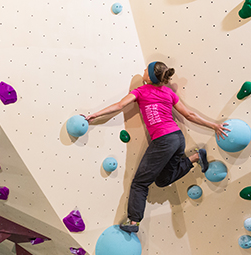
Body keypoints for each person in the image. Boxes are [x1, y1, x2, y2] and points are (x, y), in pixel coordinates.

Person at [86, 61, 229, 233]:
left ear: (150, 76)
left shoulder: (140, 91)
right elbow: (189, 115)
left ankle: (133, 222)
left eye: (146, 69)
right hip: (177, 138)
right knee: (162, 180)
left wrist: (94, 114)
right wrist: (212, 125)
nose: (143, 70)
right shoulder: (168, 93)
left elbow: (119, 106)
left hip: (164, 141)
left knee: (139, 183)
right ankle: (196, 157)